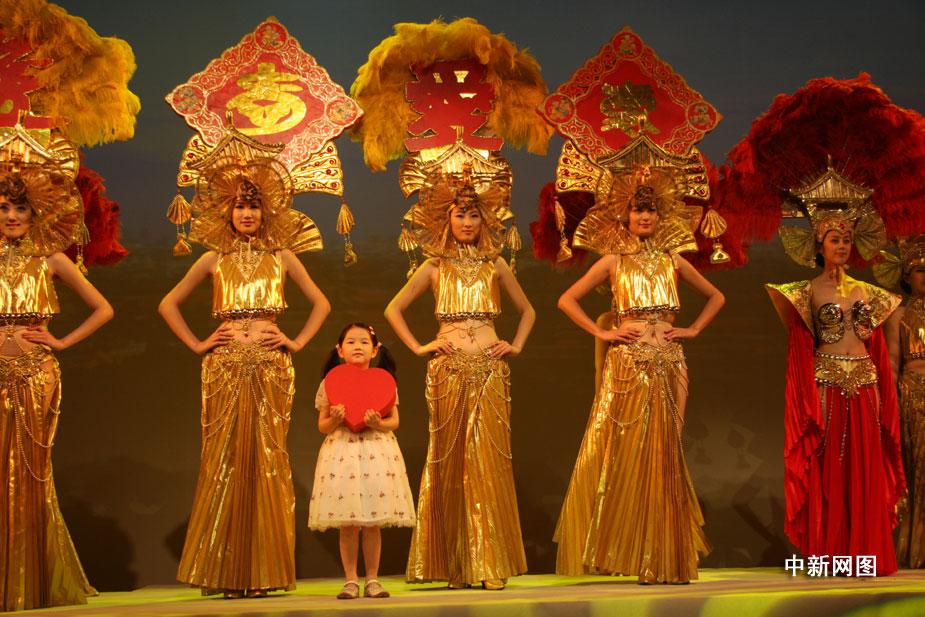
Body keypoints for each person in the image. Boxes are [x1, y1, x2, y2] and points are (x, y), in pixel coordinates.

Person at [159, 155, 330, 597]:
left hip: (272, 367)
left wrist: (294, 341)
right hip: (225, 367)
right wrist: (200, 343)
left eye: (254, 205)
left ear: (266, 210)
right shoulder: (213, 259)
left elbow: (321, 304)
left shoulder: (282, 256)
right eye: (239, 206)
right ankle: (226, 572)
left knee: (267, 458)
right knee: (226, 459)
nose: (247, 213)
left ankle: (263, 572)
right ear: (227, 211)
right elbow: (168, 304)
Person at [553, 169, 722, 584]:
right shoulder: (614, 260)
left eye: (651, 210)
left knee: (666, 454)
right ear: (625, 215)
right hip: (628, 364)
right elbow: (566, 300)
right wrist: (603, 332)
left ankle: (666, 555)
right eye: (637, 210)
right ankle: (634, 553)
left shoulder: (673, 260)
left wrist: (693, 330)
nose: (644, 217)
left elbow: (716, 296)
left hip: (670, 360)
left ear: (661, 215)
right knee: (627, 455)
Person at [385, 171, 535, 590]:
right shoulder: (434, 267)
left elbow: (528, 311)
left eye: (474, 215)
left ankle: (489, 563)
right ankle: (457, 564)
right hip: (448, 372)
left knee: (487, 461)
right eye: (459, 215)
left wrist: (515, 345)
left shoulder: (495, 264)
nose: (467, 223)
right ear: (445, 220)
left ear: (485, 220)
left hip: (490, 370)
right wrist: (420, 347)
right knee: (450, 460)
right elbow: (393, 310)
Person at [767, 206, 903, 576]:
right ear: (819, 246)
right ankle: (831, 554)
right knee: (830, 464)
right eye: (834, 240)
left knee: (865, 465)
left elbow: (881, 347)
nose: (841, 246)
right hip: (826, 380)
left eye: (846, 240)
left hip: (866, 383)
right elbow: (800, 348)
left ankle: (865, 554)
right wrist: (807, 397)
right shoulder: (807, 291)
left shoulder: (868, 291)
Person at [0, 166, 112, 610]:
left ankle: (32, 580)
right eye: (3, 208)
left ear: (35, 213)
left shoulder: (50, 258)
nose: (11, 216)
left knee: (30, 473)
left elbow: (103, 308)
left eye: (20, 208)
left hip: (36, 374)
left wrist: (62, 341)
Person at [309, 323, 415, 599]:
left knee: (372, 522)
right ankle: (350, 580)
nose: (358, 346)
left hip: (375, 453)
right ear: (339, 350)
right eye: (351, 342)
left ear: (375, 350)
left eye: (364, 342)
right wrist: (336, 419)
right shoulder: (330, 382)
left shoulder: (384, 381)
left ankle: (372, 579)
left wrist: (377, 423)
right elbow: (322, 425)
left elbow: (394, 421)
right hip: (342, 454)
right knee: (348, 522)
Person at [882, 236, 925, 568]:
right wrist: (893, 403)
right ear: (906, 275)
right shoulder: (898, 313)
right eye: (920, 270)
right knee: (917, 467)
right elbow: (893, 362)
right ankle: (916, 547)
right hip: (913, 393)